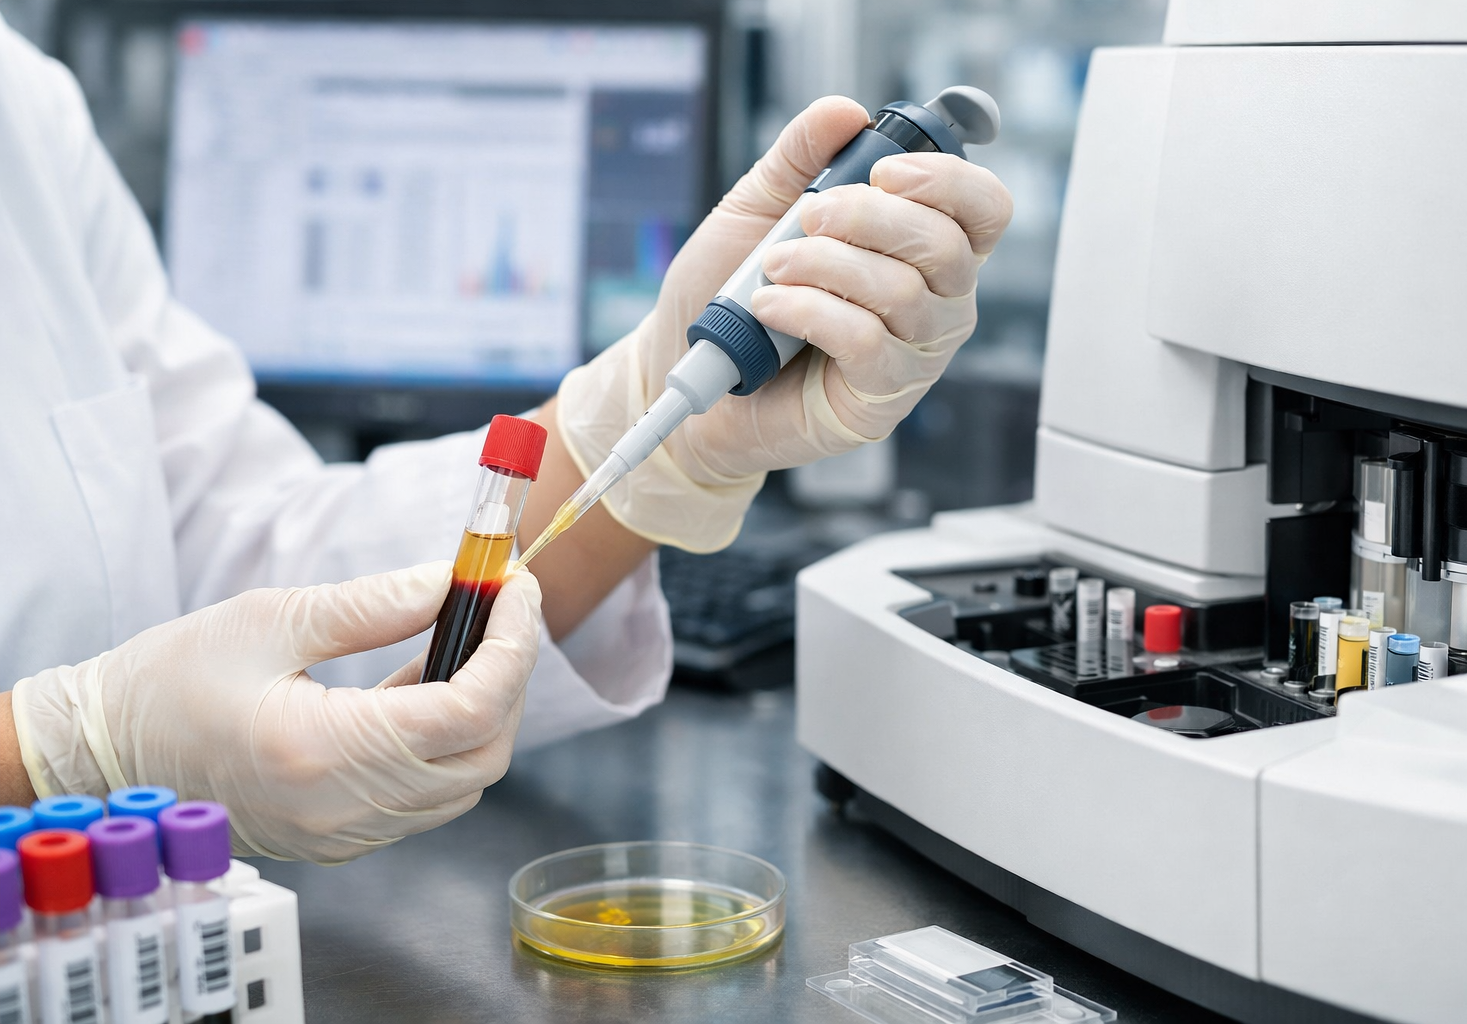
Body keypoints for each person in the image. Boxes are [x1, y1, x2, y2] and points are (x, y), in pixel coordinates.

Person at [0, 20, 1013, 863]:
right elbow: (149, 702)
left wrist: (661, 434)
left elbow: (245, 575)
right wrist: (60, 752)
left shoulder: (23, 106)